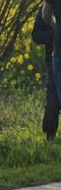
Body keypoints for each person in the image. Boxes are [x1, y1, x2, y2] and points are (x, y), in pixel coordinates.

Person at [32, 8, 59, 139]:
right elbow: (36, 35)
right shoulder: (48, 7)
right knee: (53, 98)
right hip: (54, 60)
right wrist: (55, 34)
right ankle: (50, 135)